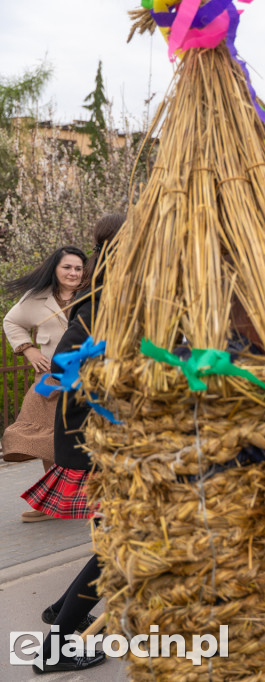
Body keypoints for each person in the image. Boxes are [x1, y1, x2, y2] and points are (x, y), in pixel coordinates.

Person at [28, 216, 122, 674]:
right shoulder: (107, 304)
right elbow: (79, 369)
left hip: (94, 436)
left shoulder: (105, 298)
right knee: (121, 543)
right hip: (98, 439)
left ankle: (62, 611)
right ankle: (56, 648)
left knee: (116, 539)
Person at [3, 245, 87, 521]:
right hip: (50, 380)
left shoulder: (91, 296)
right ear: (55, 268)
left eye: (78, 268)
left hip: (88, 377)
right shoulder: (36, 298)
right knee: (47, 438)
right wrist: (28, 349)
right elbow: (11, 321)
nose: (73, 272)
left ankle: (92, 496)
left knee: (86, 436)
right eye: (67, 267)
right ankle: (54, 501)